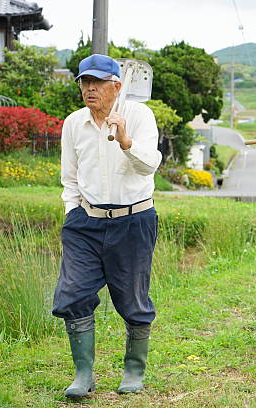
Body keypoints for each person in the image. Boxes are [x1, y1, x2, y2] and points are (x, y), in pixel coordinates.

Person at [51, 54, 162, 398]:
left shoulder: (140, 115)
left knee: (132, 298)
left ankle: (133, 371)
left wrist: (126, 140)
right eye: (85, 82)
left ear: (117, 85)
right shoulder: (74, 123)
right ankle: (83, 376)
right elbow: (69, 177)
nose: (90, 89)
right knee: (73, 294)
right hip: (86, 222)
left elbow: (150, 165)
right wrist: (72, 212)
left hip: (134, 219)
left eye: (97, 82)